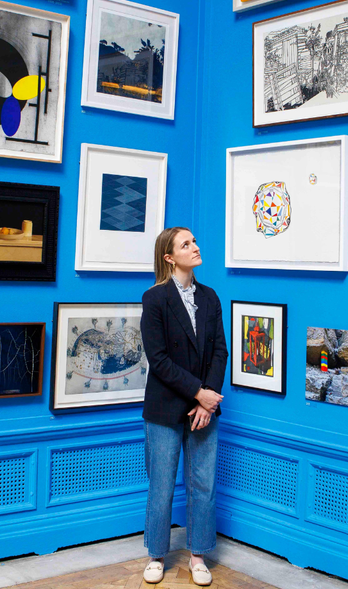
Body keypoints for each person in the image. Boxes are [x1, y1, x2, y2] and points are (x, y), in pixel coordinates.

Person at [139, 227, 227, 586]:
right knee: (161, 486)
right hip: (164, 409)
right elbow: (158, 360)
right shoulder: (154, 298)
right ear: (169, 257)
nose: (195, 246)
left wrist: (208, 400)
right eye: (186, 244)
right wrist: (199, 393)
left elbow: (220, 351)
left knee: (202, 485)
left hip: (203, 409)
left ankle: (198, 554)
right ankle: (157, 555)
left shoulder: (210, 297)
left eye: (195, 240)